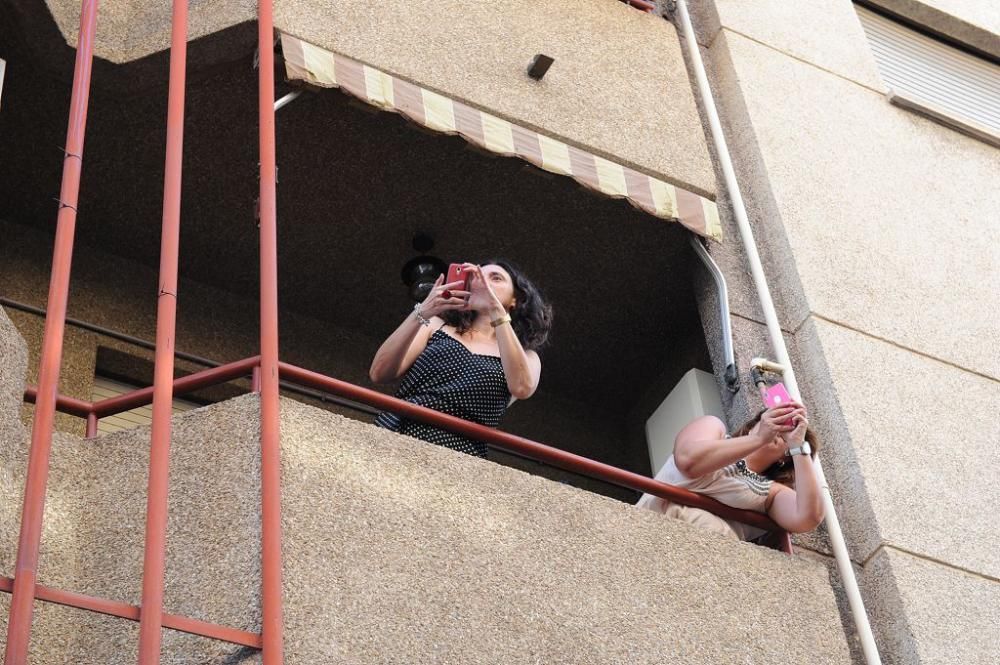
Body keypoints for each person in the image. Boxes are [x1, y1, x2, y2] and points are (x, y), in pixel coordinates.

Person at [369, 261, 553, 458]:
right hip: (399, 431)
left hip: (461, 454)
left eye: (495, 278)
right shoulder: (436, 326)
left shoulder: (526, 356)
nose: (481, 282)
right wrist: (422, 312)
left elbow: (522, 387)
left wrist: (495, 310)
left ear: (515, 299)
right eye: (475, 277)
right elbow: (379, 372)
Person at [636, 401, 824, 541]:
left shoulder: (772, 492)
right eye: (776, 418)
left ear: (784, 458)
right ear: (754, 425)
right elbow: (688, 460)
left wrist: (798, 446)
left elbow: (807, 518)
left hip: (710, 551)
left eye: (786, 430)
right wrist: (759, 439)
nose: (780, 428)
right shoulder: (714, 429)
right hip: (653, 524)